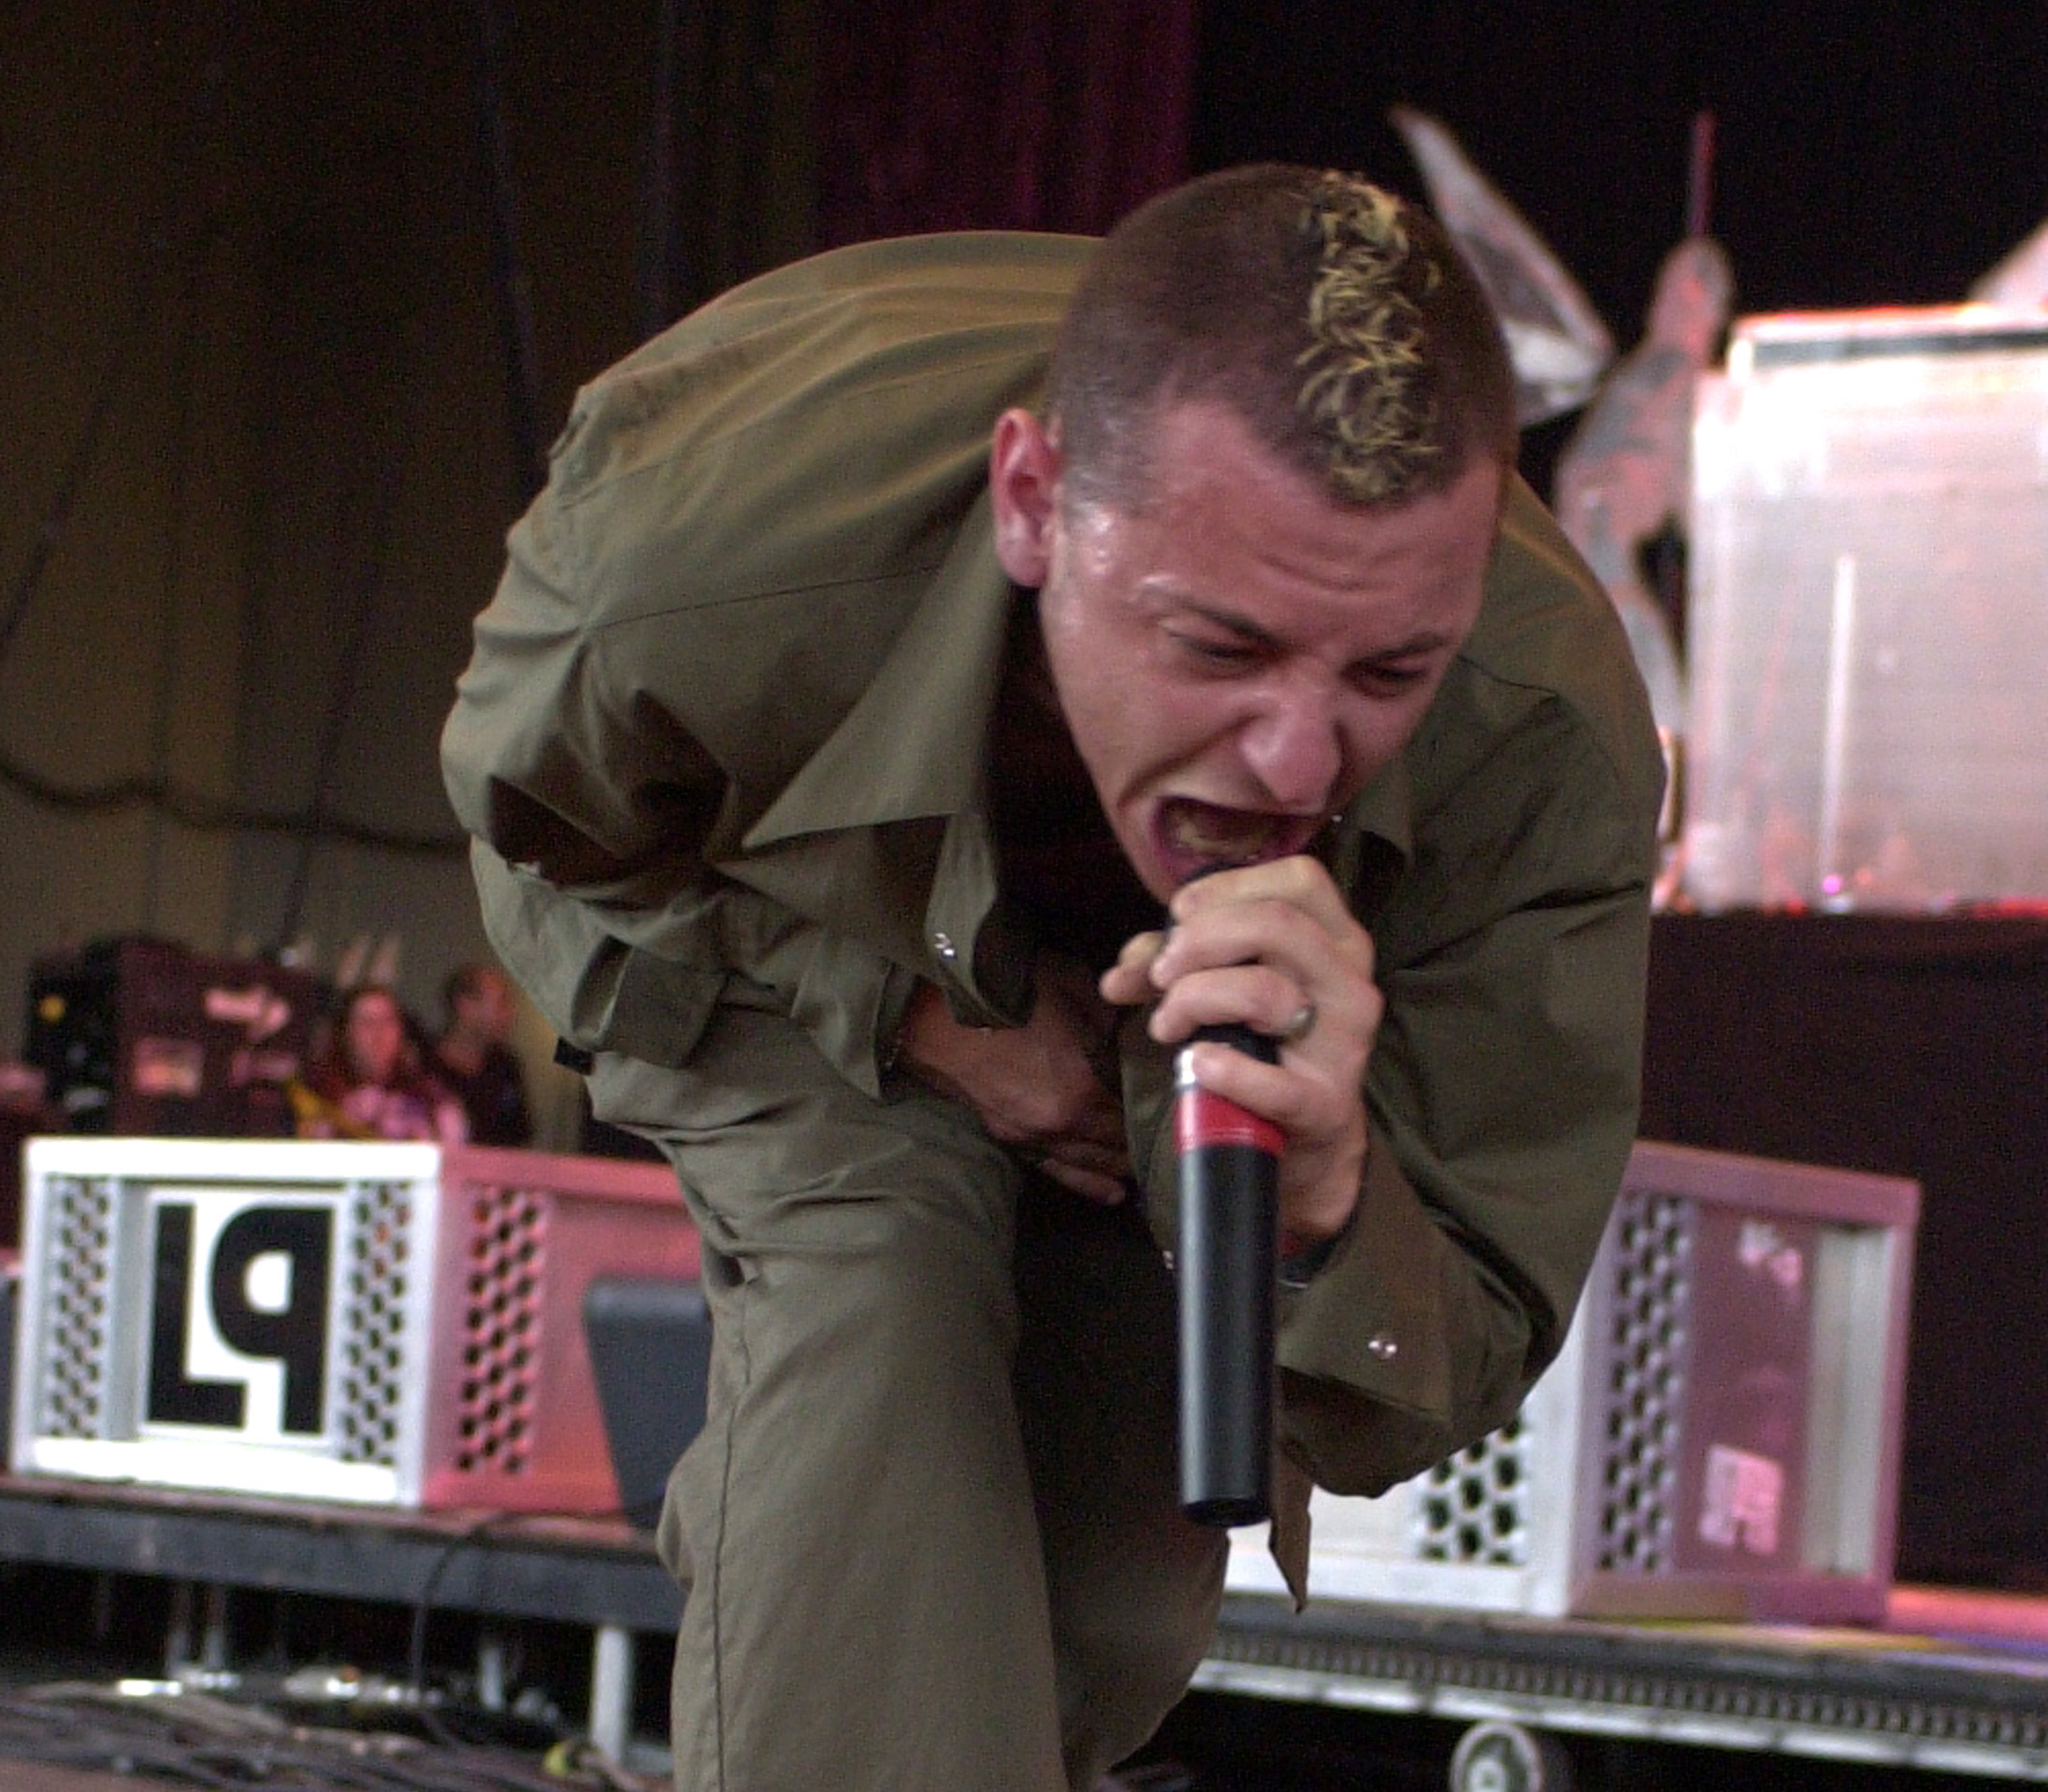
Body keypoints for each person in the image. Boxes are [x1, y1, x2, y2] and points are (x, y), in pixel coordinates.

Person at [440, 165, 1664, 1792]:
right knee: (886, 1350)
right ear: (1034, 500)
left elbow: (1432, 1367)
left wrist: (1324, 1201)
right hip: (772, 918)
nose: (1299, 760)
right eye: (1219, 647)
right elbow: (553, 845)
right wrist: (916, 1020)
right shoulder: (685, 563)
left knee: (1099, 1605)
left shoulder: (1544, 743)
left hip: (1142, 1055)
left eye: (1388, 673)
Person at [296, 983, 469, 1146]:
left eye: (388, 1021)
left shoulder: (431, 1097)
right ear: (345, 1032)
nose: (379, 1033)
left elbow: (453, 1152)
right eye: (366, 1022)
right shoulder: (315, 1092)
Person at [430, 961, 535, 1147]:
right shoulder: (425, 1066)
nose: (509, 1013)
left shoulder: (505, 1066)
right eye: (501, 1003)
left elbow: (519, 1138)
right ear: (465, 1006)